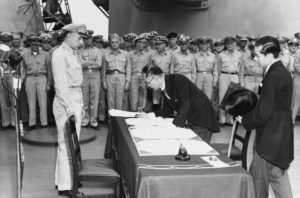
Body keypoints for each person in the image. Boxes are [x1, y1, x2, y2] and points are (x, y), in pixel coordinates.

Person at [238, 36, 294, 198]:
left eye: (258, 55)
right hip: (280, 136)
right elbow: (270, 104)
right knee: (277, 176)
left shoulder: (274, 75)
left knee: (257, 182)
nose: (255, 58)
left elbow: (264, 111)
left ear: (269, 56)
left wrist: (244, 120)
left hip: (270, 139)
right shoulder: (279, 71)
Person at [139, 66, 220, 143]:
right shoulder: (165, 86)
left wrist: (173, 126)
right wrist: (149, 115)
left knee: (199, 148)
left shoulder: (178, 79)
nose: (148, 86)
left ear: (156, 77)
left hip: (202, 119)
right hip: (191, 118)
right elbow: (166, 110)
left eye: (148, 83)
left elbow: (185, 105)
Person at [52, 23, 86, 196]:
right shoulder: (59, 54)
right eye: (79, 38)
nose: (81, 42)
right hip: (65, 102)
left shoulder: (73, 53)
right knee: (66, 143)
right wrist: (69, 108)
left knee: (72, 142)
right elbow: (60, 85)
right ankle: (66, 185)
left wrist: (81, 105)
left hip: (75, 99)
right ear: (70, 35)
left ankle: (66, 180)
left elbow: (77, 82)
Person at [22, 34, 49, 130]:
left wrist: (49, 83)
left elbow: (49, 70)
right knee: (31, 103)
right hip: (30, 78)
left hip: (42, 78)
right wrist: (25, 81)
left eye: (37, 44)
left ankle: (44, 123)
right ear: (30, 44)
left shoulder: (45, 55)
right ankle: (32, 124)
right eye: (33, 44)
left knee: (43, 102)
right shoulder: (25, 55)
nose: (35, 46)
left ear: (40, 45)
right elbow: (24, 69)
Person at [79, 30, 102, 130]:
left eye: (89, 38)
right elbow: (79, 63)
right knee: (84, 99)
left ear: (91, 39)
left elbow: (99, 64)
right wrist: (91, 62)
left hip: (95, 75)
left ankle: (93, 121)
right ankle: (85, 121)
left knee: (94, 99)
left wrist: (86, 63)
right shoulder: (79, 51)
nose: (87, 40)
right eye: (85, 39)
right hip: (84, 75)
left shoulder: (97, 50)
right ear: (83, 39)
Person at [217, 36, 243, 126]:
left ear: (235, 44)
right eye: (227, 44)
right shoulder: (221, 55)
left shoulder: (239, 55)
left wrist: (240, 80)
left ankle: (230, 119)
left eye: (231, 43)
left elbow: (241, 68)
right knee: (222, 97)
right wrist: (218, 79)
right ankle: (222, 120)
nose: (229, 45)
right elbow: (218, 68)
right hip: (224, 75)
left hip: (234, 76)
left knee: (232, 98)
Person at [102, 33, 131, 110]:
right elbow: (104, 69)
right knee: (110, 99)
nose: (114, 44)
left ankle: (118, 120)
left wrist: (127, 82)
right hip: (110, 76)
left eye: (116, 42)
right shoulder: (105, 54)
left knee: (120, 99)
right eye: (112, 42)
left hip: (121, 76)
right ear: (110, 43)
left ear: (119, 42)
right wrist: (104, 81)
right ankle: (111, 119)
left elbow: (128, 68)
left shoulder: (126, 54)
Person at [129, 34, 149, 111]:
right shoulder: (130, 54)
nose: (144, 45)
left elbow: (147, 68)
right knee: (134, 98)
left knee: (143, 97)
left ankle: (141, 113)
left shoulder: (146, 55)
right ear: (137, 43)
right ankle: (133, 113)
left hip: (143, 77)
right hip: (133, 76)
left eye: (145, 43)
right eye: (142, 43)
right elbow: (128, 67)